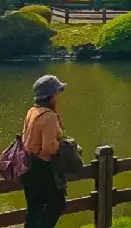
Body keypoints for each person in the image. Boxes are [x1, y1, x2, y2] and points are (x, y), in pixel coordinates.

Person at [21, 75, 67, 228]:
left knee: (34, 209)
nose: (58, 96)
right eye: (57, 92)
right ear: (51, 95)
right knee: (57, 204)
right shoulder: (50, 116)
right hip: (43, 168)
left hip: (28, 165)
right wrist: (63, 145)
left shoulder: (31, 111)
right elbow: (49, 148)